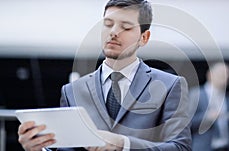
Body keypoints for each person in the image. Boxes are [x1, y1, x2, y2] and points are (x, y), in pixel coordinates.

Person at [17, 0, 192, 151]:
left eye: (126, 27)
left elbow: (180, 147)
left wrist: (124, 144)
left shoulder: (170, 86)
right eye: (108, 24)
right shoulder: (72, 91)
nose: (113, 32)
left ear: (144, 38)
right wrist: (40, 148)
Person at [189, 62, 229, 151]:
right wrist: (207, 117)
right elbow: (186, 123)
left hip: (226, 147)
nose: (225, 78)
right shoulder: (196, 95)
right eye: (222, 74)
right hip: (203, 147)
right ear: (209, 75)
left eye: (228, 75)